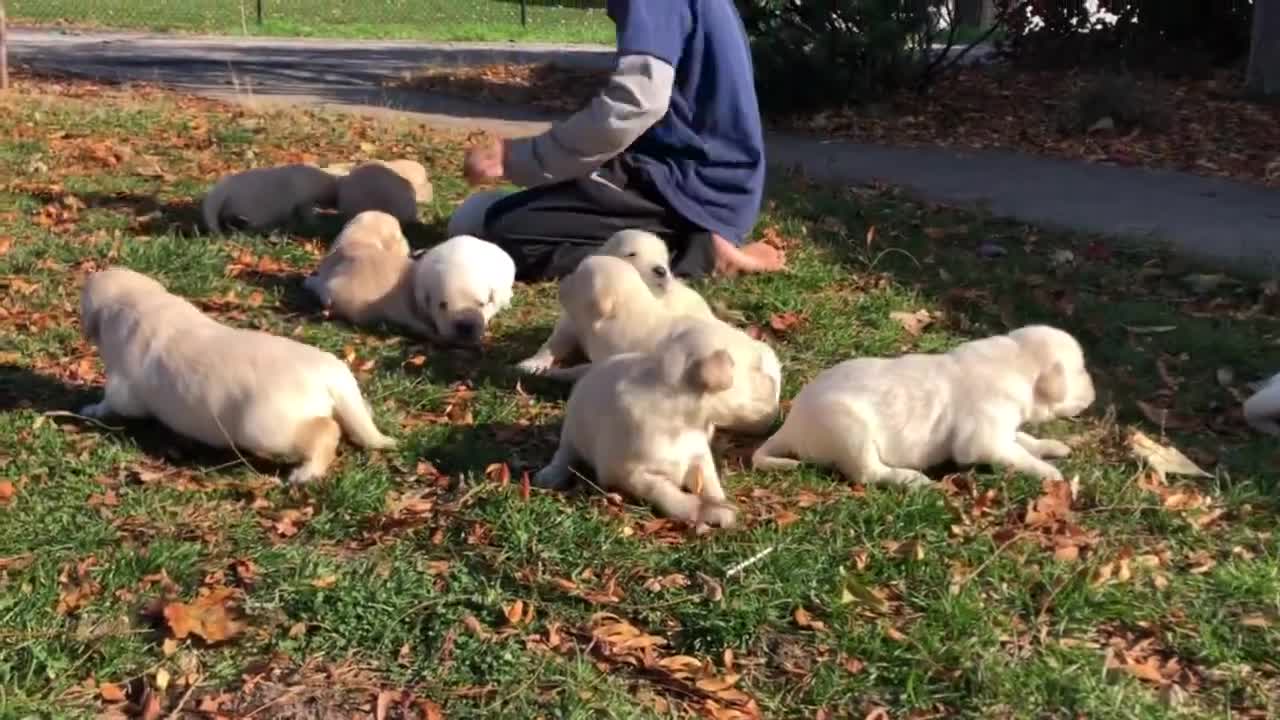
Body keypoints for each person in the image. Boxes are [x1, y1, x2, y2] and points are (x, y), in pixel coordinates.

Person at [460, 0, 785, 282]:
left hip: (689, 186)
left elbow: (636, 102)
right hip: (705, 180)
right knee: (530, 212)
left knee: (510, 231)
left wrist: (515, 158)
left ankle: (695, 253)